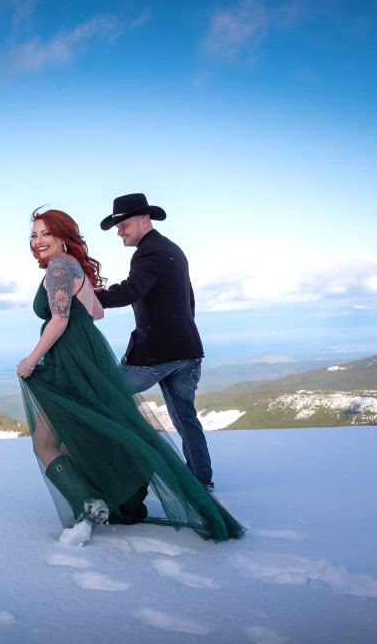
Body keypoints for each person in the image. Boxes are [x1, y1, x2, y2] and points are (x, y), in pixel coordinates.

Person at [17, 207, 243, 545]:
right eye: (34, 235)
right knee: (154, 420)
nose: (37, 241)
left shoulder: (64, 267)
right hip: (160, 349)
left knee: (102, 424)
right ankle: (188, 483)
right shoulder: (79, 265)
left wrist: (31, 361)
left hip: (87, 357)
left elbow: (62, 320)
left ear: (63, 236)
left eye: (45, 233)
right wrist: (84, 293)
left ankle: (102, 499)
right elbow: (96, 312)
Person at [95, 193, 215, 492]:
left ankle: (134, 475)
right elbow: (188, 301)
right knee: (186, 419)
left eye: (123, 225)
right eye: (116, 227)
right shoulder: (172, 249)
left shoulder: (148, 253)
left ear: (144, 221)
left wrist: (88, 296)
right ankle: (202, 481)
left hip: (156, 356)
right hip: (187, 351)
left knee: (108, 401)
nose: (119, 231)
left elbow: (130, 291)